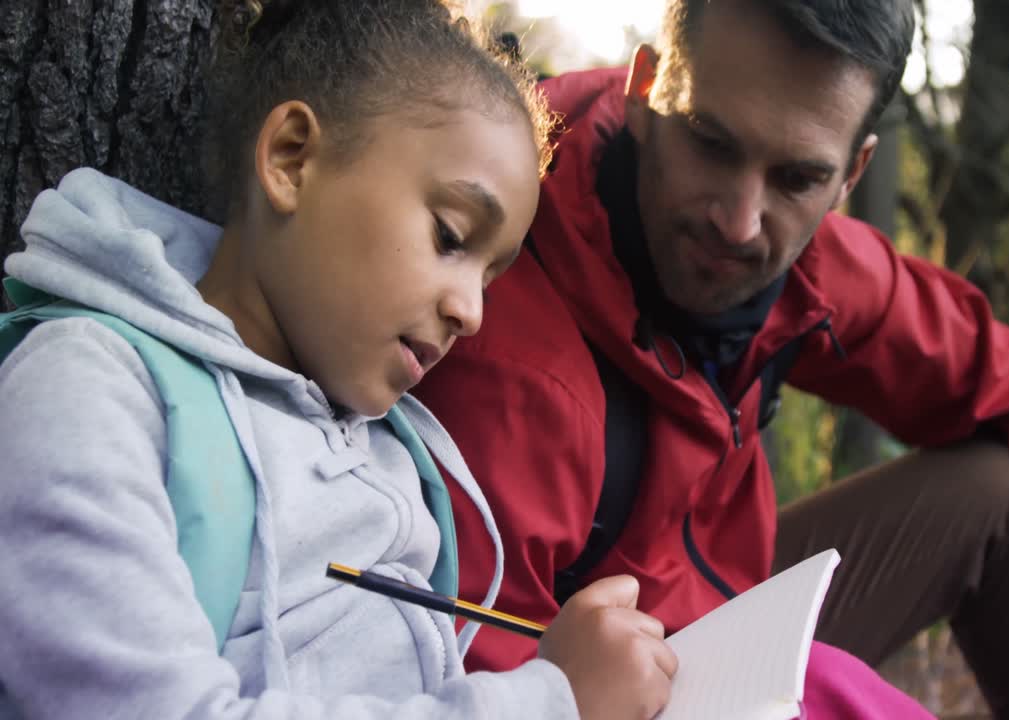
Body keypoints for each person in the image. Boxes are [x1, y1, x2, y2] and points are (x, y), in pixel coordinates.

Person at [413, 0, 1009, 718]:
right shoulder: (508, 340)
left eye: (796, 178)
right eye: (712, 143)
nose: (740, 220)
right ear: (647, 90)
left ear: (850, 175)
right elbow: (485, 681)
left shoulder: (810, 273)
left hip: (725, 607)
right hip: (591, 679)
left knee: (996, 490)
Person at [0, 1, 682, 718]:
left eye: (489, 277)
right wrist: (553, 702)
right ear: (291, 159)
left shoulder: (388, 455)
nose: (472, 313)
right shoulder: (86, 392)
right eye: (451, 237)